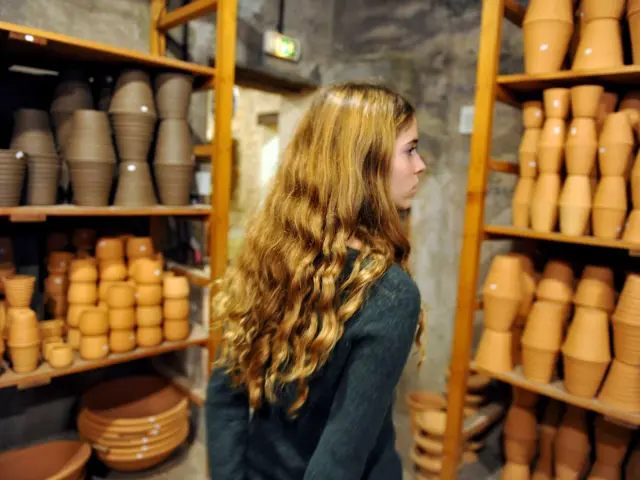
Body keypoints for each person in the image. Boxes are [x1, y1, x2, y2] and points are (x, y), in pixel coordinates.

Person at [205, 82, 427, 480]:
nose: (420, 165)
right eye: (410, 149)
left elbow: (224, 399)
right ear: (364, 165)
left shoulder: (271, 252)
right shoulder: (391, 294)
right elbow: (338, 463)